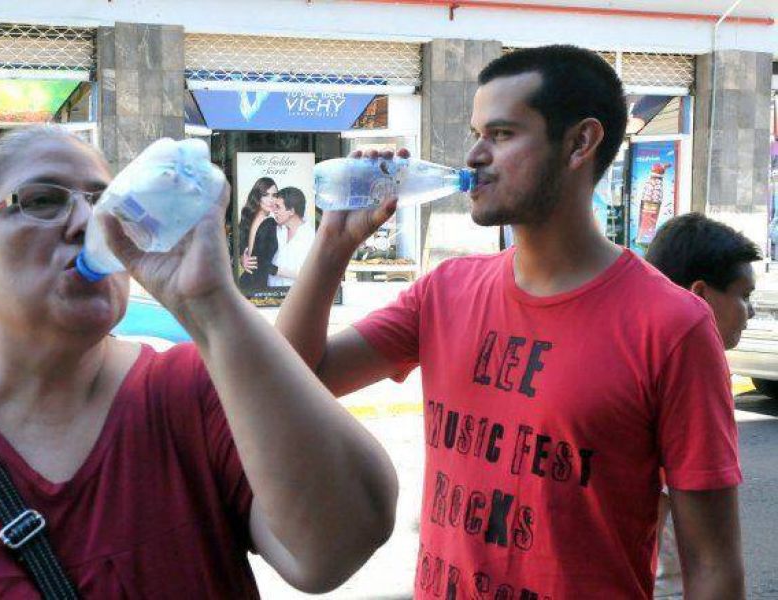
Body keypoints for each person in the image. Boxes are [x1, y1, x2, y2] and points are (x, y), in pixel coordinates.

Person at [0, 127, 398, 596]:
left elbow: (340, 544)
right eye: (43, 201)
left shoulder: (192, 394)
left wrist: (211, 303)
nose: (87, 222)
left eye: (104, 200)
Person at [276, 45, 745, 598]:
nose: (474, 155)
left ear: (580, 143)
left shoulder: (672, 326)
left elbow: (713, 564)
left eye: (501, 135)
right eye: (477, 134)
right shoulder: (444, 291)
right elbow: (288, 380)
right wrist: (333, 243)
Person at [645, 212, 760, 598]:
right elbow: (708, 555)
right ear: (698, 296)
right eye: (744, 295)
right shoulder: (687, 375)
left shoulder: (635, 356)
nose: (751, 311)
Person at [238, 176, 280, 291]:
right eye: (266, 195)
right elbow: (262, 264)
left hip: (246, 283)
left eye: (274, 195)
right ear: (257, 196)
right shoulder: (269, 223)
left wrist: (242, 257)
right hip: (257, 288)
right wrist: (296, 274)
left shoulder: (250, 219)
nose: (271, 200)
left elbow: (252, 254)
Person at [268, 187, 315, 287]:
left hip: (296, 298)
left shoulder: (311, 237)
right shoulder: (276, 229)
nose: (274, 211)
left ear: (291, 211)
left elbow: (311, 275)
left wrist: (275, 270)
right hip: (269, 296)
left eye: (278, 207)